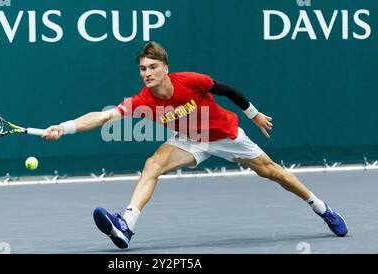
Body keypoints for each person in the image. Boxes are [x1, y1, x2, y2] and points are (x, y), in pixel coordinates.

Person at [42, 42, 348, 249]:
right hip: (188, 141)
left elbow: (227, 90)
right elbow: (103, 116)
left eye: (151, 67)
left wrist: (253, 115)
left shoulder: (191, 80)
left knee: (274, 173)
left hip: (225, 135)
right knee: (153, 165)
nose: (146, 73)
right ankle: (126, 224)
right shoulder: (143, 99)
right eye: (142, 69)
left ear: (165, 68)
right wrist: (65, 127)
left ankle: (322, 208)